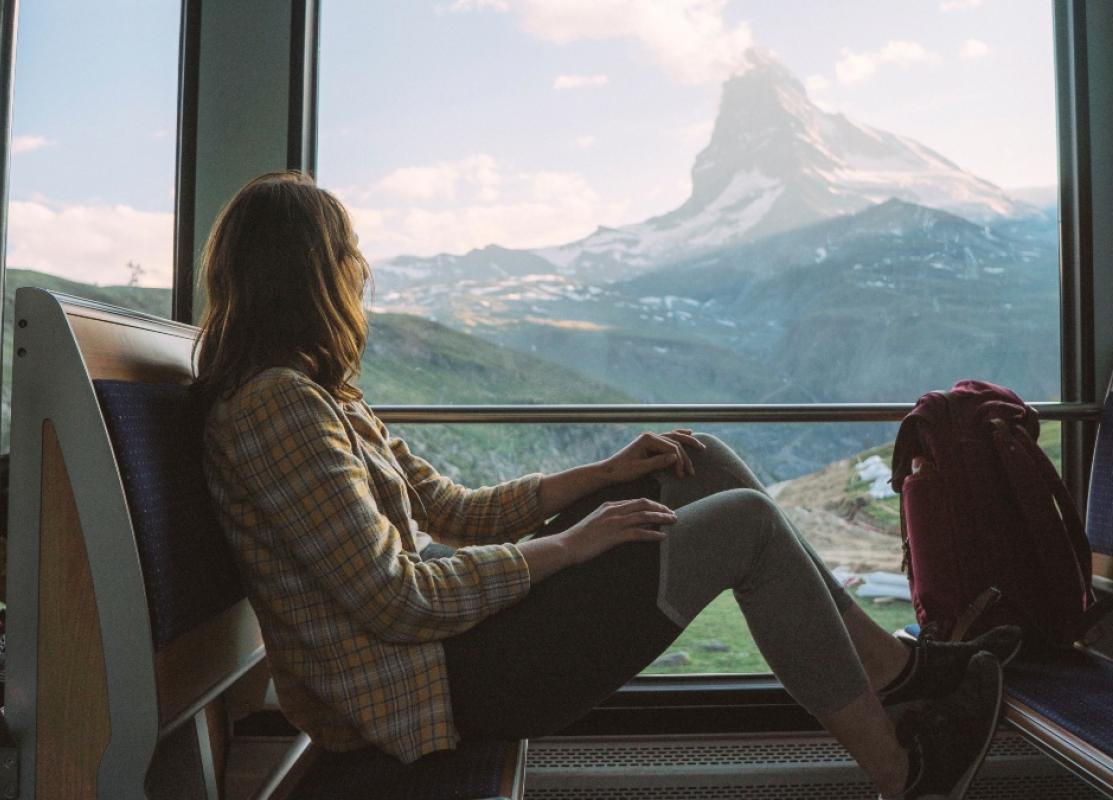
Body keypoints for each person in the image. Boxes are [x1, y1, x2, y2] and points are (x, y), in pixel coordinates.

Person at [197, 171, 1019, 800]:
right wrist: (569, 546)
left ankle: (892, 671)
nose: (361, 270)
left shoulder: (322, 396)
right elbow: (394, 598)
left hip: (449, 657)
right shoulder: (277, 408)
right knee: (747, 530)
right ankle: (903, 770)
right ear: (308, 274)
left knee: (690, 459)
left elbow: (448, 511)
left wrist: (606, 474)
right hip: (426, 690)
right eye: (348, 255)